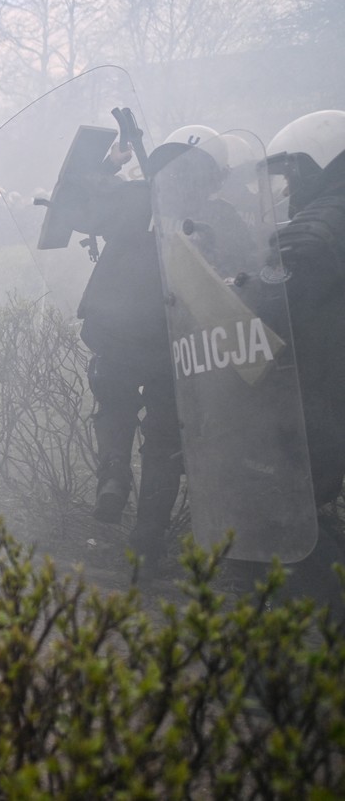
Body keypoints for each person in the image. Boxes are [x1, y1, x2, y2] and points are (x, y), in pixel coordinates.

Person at [78, 131, 252, 567]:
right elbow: (248, 270)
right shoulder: (221, 216)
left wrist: (109, 164)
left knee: (114, 408)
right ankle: (148, 538)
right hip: (176, 343)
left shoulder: (135, 198)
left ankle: (114, 476)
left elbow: (80, 205)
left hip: (115, 331)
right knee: (164, 440)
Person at [264, 110, 345, 609]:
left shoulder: (319, 226)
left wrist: (239, 289)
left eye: (291, 173)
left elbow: (282, 300)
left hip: (321, 391)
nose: (287, 187)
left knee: (282, 510)